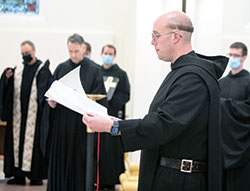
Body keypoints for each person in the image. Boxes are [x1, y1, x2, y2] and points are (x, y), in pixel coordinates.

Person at [82, 11, 229, 191]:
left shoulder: (192, 77)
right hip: (171, 174)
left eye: (156, 35)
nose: (152, 42)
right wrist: (119, 123)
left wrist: (114, 127)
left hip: (180, 180)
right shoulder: (181, 72)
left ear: (176, 37)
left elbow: (165, 124)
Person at [46, 33, 105, 191]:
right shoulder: (61, 68)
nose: (73, 55)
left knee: (79, 162)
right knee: (61, 159)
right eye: (70, 51)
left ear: (83, 48)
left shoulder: (94, 70)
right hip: (62, 124)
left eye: (76, 51)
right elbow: (52, 92)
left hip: (81, 124)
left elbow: (100, 98)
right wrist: (51, 102)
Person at [0, 40, 52, 185]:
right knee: (16, 145)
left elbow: (47, 92)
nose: (25, 56)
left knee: (33, 146)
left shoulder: (42, 69)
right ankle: (18, 176)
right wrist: (6, 79)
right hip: (18, 117)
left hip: (34, 119)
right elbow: (8, 91)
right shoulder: (18, 69)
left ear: (34, 52)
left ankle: (35, 176)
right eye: (22, 54)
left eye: (27, 53)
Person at [97, 44, 130, 190]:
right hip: (98, 116)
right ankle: (96, 179)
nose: (108, 56)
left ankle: (110, 182)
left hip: (113, 117)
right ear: (101, 54)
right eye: (105, 53)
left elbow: (125, 94)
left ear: (114, 56)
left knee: (111, 150)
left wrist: (112, 102)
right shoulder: (96, 72)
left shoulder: (121, 74)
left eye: (110, 53)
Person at [219, 42, 250, 191]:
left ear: (244, 57)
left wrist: (225, 105)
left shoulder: (249, 82)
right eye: (230, 55)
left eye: (236, 55)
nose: (232, 58)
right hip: (221, 145)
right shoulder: (220, 83)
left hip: (242, 147)